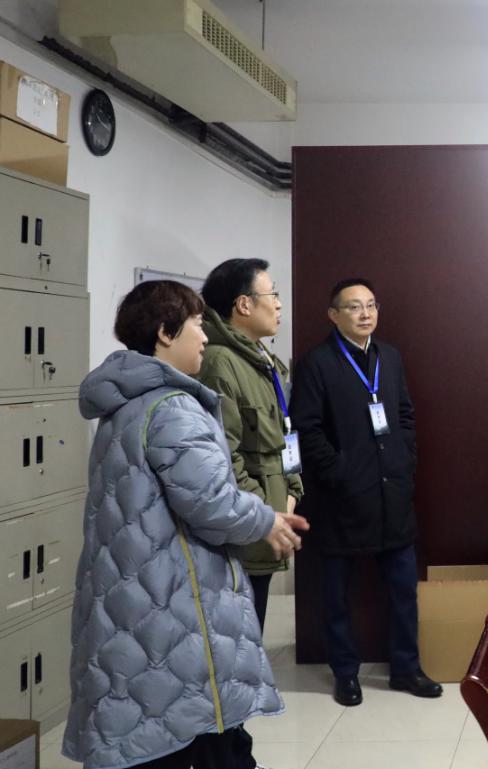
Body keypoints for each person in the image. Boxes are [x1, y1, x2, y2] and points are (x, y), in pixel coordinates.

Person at [64, 280, 309, 769]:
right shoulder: (172, 407)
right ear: (165, 332)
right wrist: (265, 519)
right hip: (172, 600)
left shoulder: (126, 403)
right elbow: (210, 501)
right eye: (197, 324)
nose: (205, 337)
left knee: (154, 728)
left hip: (137, 594)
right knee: (193, 729)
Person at [290, 277, 442, 704]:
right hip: (341, 498)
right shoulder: (316, 363)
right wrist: (338, 471)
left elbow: (405, 414)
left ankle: (406, 669)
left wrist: (404, 458)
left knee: (402, 591)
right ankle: (345, 673)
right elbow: (306, 429)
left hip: (392, 493)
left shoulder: (389, 357)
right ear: (333, 314)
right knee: (337, 596)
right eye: (354, 306)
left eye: (371, 305)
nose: (365, 314)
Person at [198, 258, 303, 630]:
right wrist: (265, 513)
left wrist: (291, 491)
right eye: (272, 294)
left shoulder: (261, 359)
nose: (278, 304)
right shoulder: (219, 363)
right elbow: (225, 458)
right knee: (239, 634)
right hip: (246, 529)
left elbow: (282, 435)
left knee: (253, 629)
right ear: (244, 304)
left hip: (269, 518)